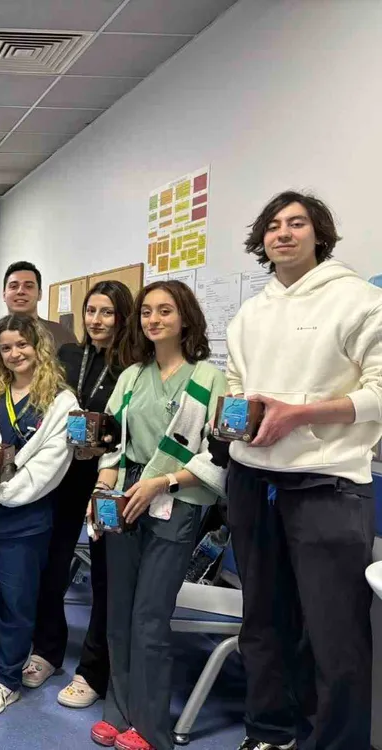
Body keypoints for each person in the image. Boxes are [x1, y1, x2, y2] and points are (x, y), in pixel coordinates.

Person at [225, 192, 382, 750]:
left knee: (335, 634)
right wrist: (237, 417)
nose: (283, 233)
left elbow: (379, 393)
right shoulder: (250, 313)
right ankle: (269, 731)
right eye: (273, 225)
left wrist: (301, 414)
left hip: (327, 484)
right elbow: (236, 386)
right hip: (252, 478)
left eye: (297, 223)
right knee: (262, 622)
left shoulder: (359, 301)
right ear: (262, 240)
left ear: (320, 234)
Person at [91, 280, 228, 750]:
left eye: (165, 310)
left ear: (185, 318)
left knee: (150, 616)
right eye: (147, 311)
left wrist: (163, 482)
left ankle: (150, 728)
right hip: (125, 499)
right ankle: (119, 711)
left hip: (175, 499)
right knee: (118, 612)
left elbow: (216, 455)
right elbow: (110, 445)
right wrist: (101, 491)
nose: (153, 319)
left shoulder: (208, 378)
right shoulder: (131, 377)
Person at [0, 314, 78, 716]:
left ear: (38, 347)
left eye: (22, 345)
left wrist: (4, 493)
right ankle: (7, 655)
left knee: (18, 601)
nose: (14, 353)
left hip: (25, 517)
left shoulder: (61, 401)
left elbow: (52, 463)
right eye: (6, 347)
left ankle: (6, 679)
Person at [27, 281, 134, 706]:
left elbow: (131, 429)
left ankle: (93, 670)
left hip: (108, 479)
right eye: (91, 311)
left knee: (105, 578)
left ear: (122, 317)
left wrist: (102, 449)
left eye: (107, 312)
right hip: (62, 476)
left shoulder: (132, 366)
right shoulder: (69, 355)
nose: (97, 320)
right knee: (50, 567)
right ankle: (46, 651)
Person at [0, 261, 77, 375]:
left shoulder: (62, 335)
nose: (21, 291)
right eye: (14, 286)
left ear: (39, 294)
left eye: (28, 286)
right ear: (4, 294)